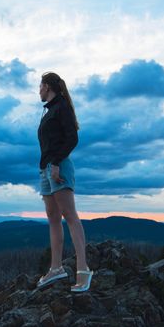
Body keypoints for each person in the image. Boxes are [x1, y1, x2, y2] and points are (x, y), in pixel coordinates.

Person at [36, 71, 93, 292]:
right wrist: (47, 167)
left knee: (70, 216)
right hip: (46, 169)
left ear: (48, 87)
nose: (38, 90)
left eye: (40, 86)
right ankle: (56, 268)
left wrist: (57, 163)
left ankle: (83, 269)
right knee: (52, 218)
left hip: (58, 167)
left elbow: (72, 138)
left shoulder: (62, 108)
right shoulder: (49, 111)